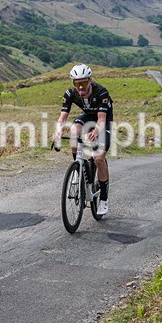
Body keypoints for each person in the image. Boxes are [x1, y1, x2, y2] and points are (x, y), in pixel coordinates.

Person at [53, 64, 113, 216]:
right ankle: (77, 167)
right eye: (77, 83)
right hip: (87, 115)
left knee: (99, 158)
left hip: (103, 119)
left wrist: (96, 131)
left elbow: (101, 120)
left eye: (84, 83)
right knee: (74, 130)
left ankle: (104, 199)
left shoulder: (101, 93)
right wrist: (58, 130)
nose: (80, 87)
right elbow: (63, 117)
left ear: (90, 81)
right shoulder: (70, 93)